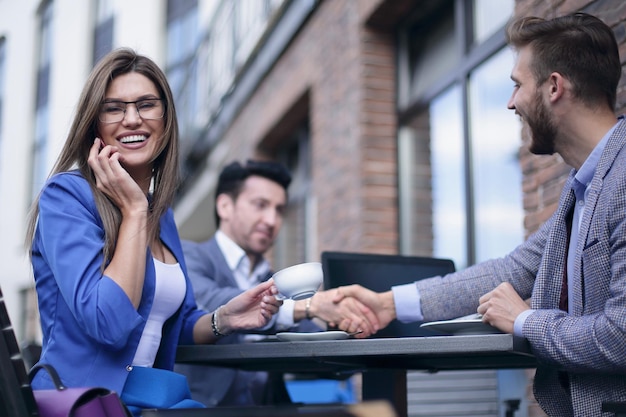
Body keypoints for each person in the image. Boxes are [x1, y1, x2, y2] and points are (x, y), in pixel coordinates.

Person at [334, 12, 626, 417]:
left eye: (517, 85)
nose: (511, 103)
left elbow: (621, 336)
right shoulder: (582, 188)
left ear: (554, 87)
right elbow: (509, 270)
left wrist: (525, 321)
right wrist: (387, 304)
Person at [25, 48, 282, 415]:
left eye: (146, 105)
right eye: (113, 108)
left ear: (166, 119)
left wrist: (223, 319)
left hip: (148, 401)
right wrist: (133, 211)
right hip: (81, 403)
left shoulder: (162, 216)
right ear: (94, 124)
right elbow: (108, 323)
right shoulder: (66, 197)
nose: (132, 119)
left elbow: (172, 320)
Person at [175, 159, 379, 406]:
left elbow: (316, 344)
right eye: (260, 205)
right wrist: (310, 305)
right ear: (225, 206)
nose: (271, 220)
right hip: (203, 409)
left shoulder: (274, 278)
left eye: (279, 210)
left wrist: (348, 325)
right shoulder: (189, 255)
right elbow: (207, 301)